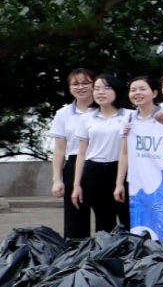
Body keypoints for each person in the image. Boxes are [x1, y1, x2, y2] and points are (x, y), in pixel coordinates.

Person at [68, 74, 131, 234]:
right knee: (104, 221)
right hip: (93, 172)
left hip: (122, 170)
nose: (100, 92)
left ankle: (132, 254)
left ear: (117, 91)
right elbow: (81, 154)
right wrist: (76, 185)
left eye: (106, 88)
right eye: (96, 89)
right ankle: (107, 256)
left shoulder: (130, 115)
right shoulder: (86, 118)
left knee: (127, 218)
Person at [48, 68, 96, 240]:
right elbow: (60, 149)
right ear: (69, 88)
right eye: (75, 84)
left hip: (102, 162)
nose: (80, 87)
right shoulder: (63, 114)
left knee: (105, 215)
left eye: (85, 83)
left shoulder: (105, 110)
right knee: (75, 218)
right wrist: (57, 179)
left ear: (94, 85)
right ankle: (75, 257)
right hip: (74, 164)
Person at [117, 76, 163, 202]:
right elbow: (124, 153)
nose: (137, 93)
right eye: (133, 90)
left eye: (142, 89)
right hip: (137, 180)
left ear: (154, 93)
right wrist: (119, 183)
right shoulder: (128, 118)